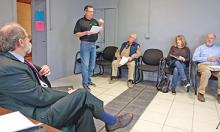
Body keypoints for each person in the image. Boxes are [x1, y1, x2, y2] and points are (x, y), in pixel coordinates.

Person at [0, 23, 133, 132]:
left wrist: (40, 70)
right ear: (20, 42)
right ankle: (112, 121)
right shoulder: (8, 67)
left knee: (84, 109)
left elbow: (28, 72)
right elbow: (39, 97)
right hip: (33, 115)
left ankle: (111, 122)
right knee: (81, 94)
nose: (30, 40)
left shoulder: (11, 59)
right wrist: (68, 94)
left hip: (33, 105)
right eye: (28, 38)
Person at [73, 5, 104, 91]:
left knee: (92, 66)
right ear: (85, 12)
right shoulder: (80, 21)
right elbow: (76, 34)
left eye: (93, 12)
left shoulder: (94, 21)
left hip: (93, 45)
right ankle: (85, 83)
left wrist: (101, 25)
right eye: (90, 12)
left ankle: (88, 80)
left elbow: (100, 32)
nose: (92, 13)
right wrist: (86, 33)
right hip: (85, 45)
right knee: (85, 65)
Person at [193, 33, 220, 103]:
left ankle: (219, 94)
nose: (209, 39)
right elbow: (194, 58)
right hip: (204, 65)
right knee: (207, 72)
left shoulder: (218, 48)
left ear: (214, 39)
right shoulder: (200, 48)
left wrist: (218, 59)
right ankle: (201, 93)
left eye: (211, 38)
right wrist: (207, 58)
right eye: (208, 38)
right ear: (206, 38)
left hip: (216, 67)